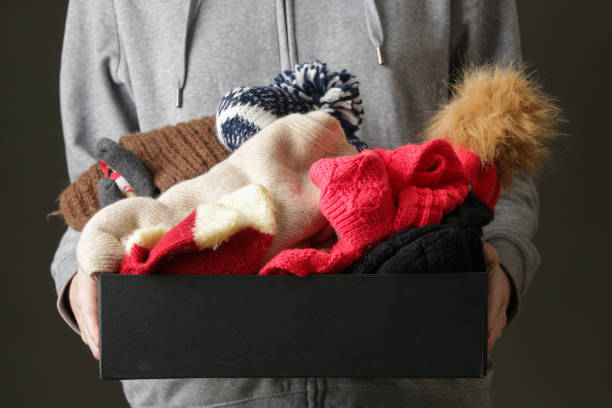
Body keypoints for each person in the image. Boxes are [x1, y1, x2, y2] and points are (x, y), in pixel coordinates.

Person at [52, 0, 538, 406]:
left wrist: (505, 262)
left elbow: (503, 146)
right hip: (201, 385)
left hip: (413, 376)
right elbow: (91, 181)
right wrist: (78, 274)